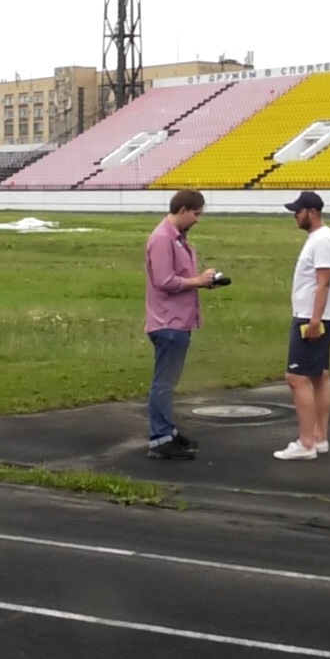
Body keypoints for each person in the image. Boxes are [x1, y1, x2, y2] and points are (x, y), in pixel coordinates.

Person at [143, 189, 216, 459]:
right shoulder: (163, 239)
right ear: (183, 210)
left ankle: (168, 432)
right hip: (167, 322)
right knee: (163, 383)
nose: (198, 219)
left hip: (177, 320)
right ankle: (160, 438)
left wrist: (200, 282)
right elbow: (164, 281)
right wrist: (198, 281)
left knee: (167, 381)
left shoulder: (177, 239)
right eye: (196, 214)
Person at [275, 190, 330, 461]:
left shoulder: (322, 240)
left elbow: (323, 281)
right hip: (316, 315)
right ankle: (318, 437)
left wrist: (314, 319)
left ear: (311, 212)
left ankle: (306, 443)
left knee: (296, 378)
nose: (295, 215)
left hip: (310, 317)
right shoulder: (321, 238)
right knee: (318, 375)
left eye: (298, 211)